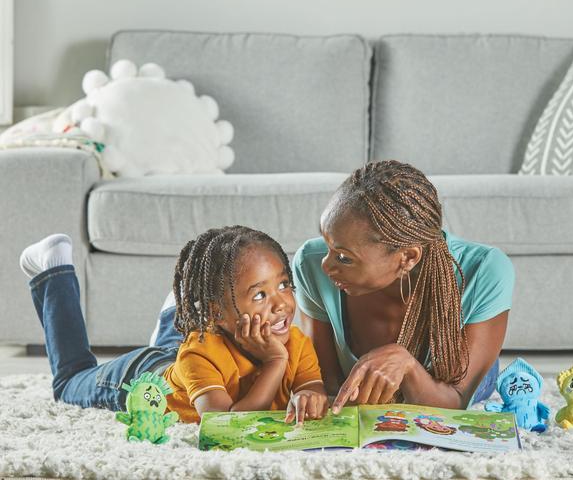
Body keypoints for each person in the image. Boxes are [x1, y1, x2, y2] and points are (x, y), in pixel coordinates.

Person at [20, 226, 327, 425]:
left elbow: (311, 386)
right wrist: (275, 362)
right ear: (217, 312)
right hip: (140, 379)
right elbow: (225, 423)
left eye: (284, 285)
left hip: (189, 349)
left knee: (184, 343)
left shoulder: (296, 343)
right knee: (69, 383)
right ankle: (54, 268)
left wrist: (309, 395)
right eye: (260, 294)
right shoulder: (201, 355)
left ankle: (177, 312)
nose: (281, 304)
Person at [292, 160, 515, 413]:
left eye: (344, 258)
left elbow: (456, 401)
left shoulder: (483, 269)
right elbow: (327, 381)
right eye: (327, 244)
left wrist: (407, 366)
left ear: (408, 257)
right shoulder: (309, 263)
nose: (325, 265)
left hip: (453, 378)